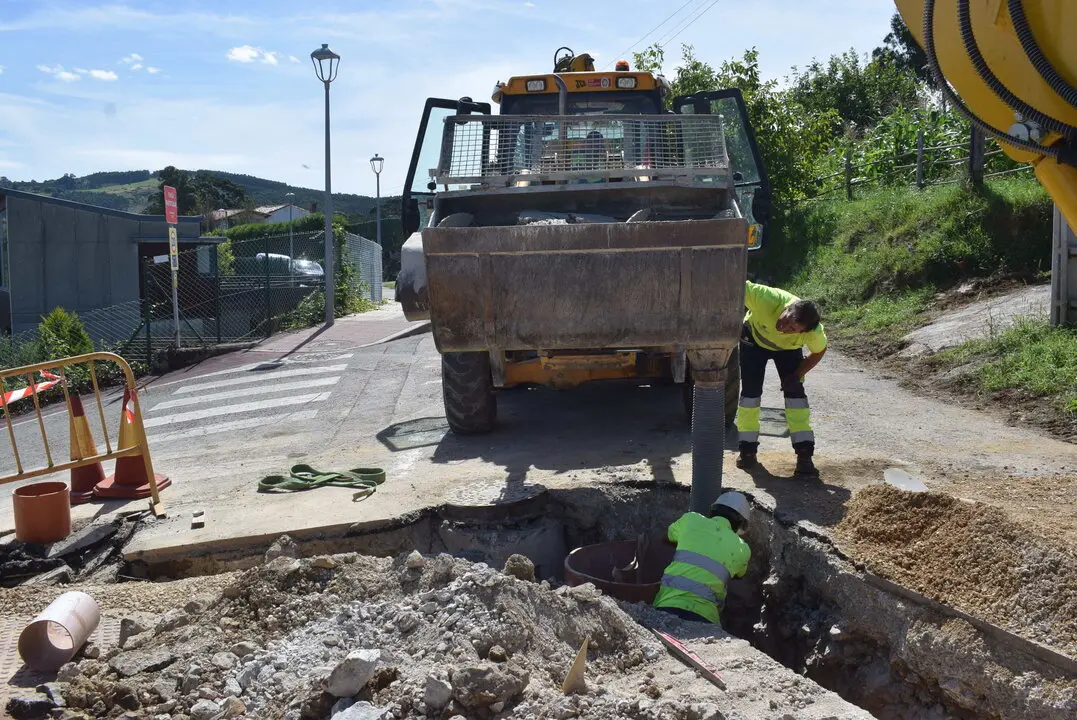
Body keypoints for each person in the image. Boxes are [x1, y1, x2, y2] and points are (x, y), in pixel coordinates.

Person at [735, 280, 827, 478]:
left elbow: (819, 351)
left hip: (788, 350)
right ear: (788, 307)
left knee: (796, 397)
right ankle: (747, 451)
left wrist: (797, 374)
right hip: (754, 339)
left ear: (804, 332)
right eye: (787, 319)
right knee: (750, 395)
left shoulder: (814, 333)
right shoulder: (764, 297)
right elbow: (733, 283)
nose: (783, 327)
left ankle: (804, 455)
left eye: (792, 329)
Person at [652, 491, 751, 624]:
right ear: (740, 524)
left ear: (713, 510)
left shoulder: (690, 519)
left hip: (666, 605)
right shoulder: (742, 548)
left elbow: (667, 538)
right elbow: (740, 575)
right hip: (706, 618)